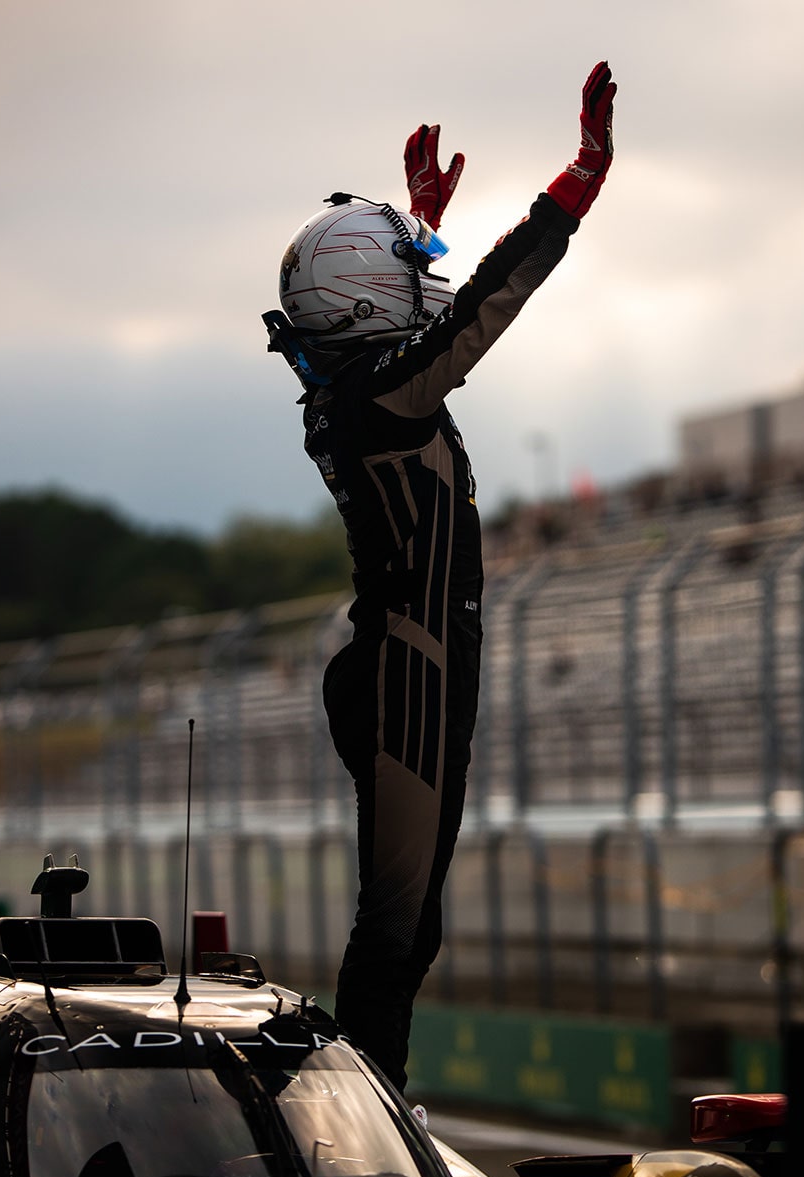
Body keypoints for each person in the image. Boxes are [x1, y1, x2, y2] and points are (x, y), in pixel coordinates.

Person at [262, 62, 617, 1092]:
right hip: (410, 674)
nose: (421, 270)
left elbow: (417, 306)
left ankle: (357, 1111)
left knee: (408, 928)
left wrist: (416, 218)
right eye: (403, 262)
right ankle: (352, 1129)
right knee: (396, 930)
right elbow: (483, 302)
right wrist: (580, 179)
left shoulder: (351, 387)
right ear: (363, 293)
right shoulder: (388, 394)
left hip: (395, 662)